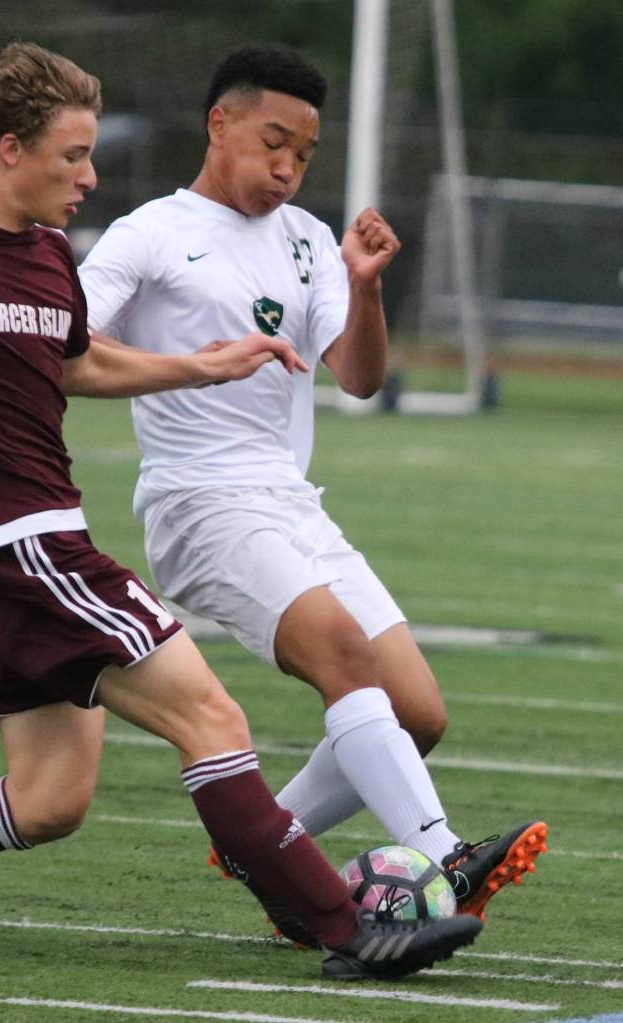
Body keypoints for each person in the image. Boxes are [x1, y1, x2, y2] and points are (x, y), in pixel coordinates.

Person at [0, 42, 481, 980]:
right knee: (212, 718)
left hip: (19, 546)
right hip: (17, 544)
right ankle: (347, 930)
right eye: (72, 156)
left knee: (48, 800)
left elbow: (78, 362)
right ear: (10, 148)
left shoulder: (44, 255)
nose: (89, 176)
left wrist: (197, 364)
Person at [77, 43, 546, 943]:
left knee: (416, 711)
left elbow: (358, 378)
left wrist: (364, 289)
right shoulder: (149, 233)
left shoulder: (305, 240)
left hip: (291, 503)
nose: (287, 167)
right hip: (199, 503)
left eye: (303, 153)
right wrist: (192, 365)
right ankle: (444, 855)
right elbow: (67, 344)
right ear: (219, 124)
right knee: (342, 652)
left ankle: (264, 841)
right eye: (273, 143)